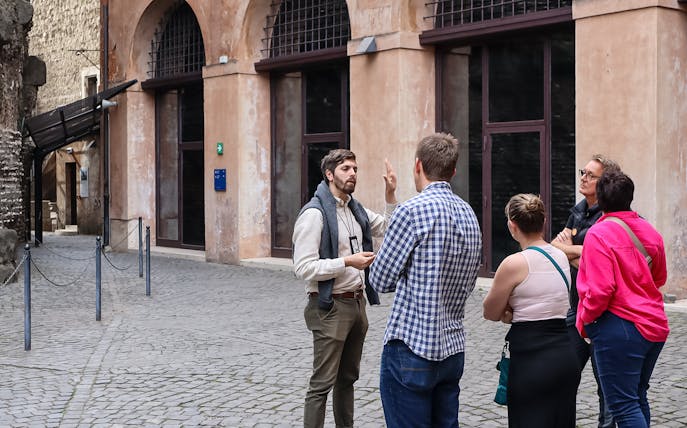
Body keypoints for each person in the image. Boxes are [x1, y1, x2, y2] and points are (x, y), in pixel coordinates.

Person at [369, 133, 482, 428]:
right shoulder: (469, 214)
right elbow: (468, 282)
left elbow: (380, 279)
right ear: (453, 171)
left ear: (417, 165)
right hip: (452, 347)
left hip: (411, 346)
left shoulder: (412, 210)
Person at [292, 148, 397, 428]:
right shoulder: (314, 215)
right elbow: (303, 268)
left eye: (355, 169)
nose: (352, 174)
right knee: (321, 384)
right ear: (329, 174)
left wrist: (390, 194)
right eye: (345, 169)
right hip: (329, 307)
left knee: (347, 380)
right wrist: (346, 262)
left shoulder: (355, 208)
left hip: (357, 305)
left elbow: (389, 226)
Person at [576, 171, 668, 428]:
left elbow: (601, 290)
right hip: (654, 325)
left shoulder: (598, 234)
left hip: (620, 327)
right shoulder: (651, 232)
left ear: (601, 201)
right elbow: (658, 278)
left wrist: (584, 320)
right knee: (637, 397)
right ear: (630, 197)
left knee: (624, 405)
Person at [483, 193, 579, 428]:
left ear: (511, 226)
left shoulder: (514, 263)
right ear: (543, 222)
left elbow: (490, 312)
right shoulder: (561, 257)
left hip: (531, 359)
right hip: (564, 355)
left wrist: (509, 311)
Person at [551, 154, 621, 428]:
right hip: (575, 308)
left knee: (606, 384)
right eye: (584, 172)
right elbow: (560, 244)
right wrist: (578, 253)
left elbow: (594, 257)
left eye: (591, 175)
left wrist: (575, 251)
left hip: (604, 312)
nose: (583, 177)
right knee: (564, 377)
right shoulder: (579, 209)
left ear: (605, 183)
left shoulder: (610, 215)